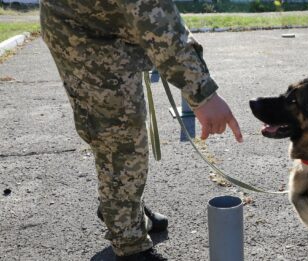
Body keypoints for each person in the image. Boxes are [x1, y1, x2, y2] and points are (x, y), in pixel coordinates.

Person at [40, 1, 243, 260]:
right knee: (119, 137)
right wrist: (202, 92)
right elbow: (153, 15)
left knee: (127, 126)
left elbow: (162, 15)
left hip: (110, 25)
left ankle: (124, 210)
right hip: (84, 32)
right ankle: (129, 243)